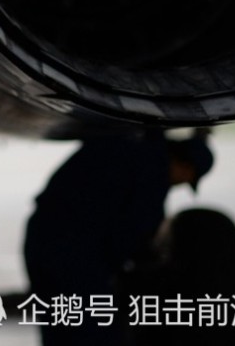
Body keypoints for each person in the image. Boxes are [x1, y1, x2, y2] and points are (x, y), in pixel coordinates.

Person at [23, 131, 214, 345]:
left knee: (59, 324)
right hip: (73, 253)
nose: (178, 185)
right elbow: (133, 236)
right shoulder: (154, 171)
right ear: (185, 167)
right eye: (186, 180)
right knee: (98, 332)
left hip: (40, 237)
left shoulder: (127, 141)